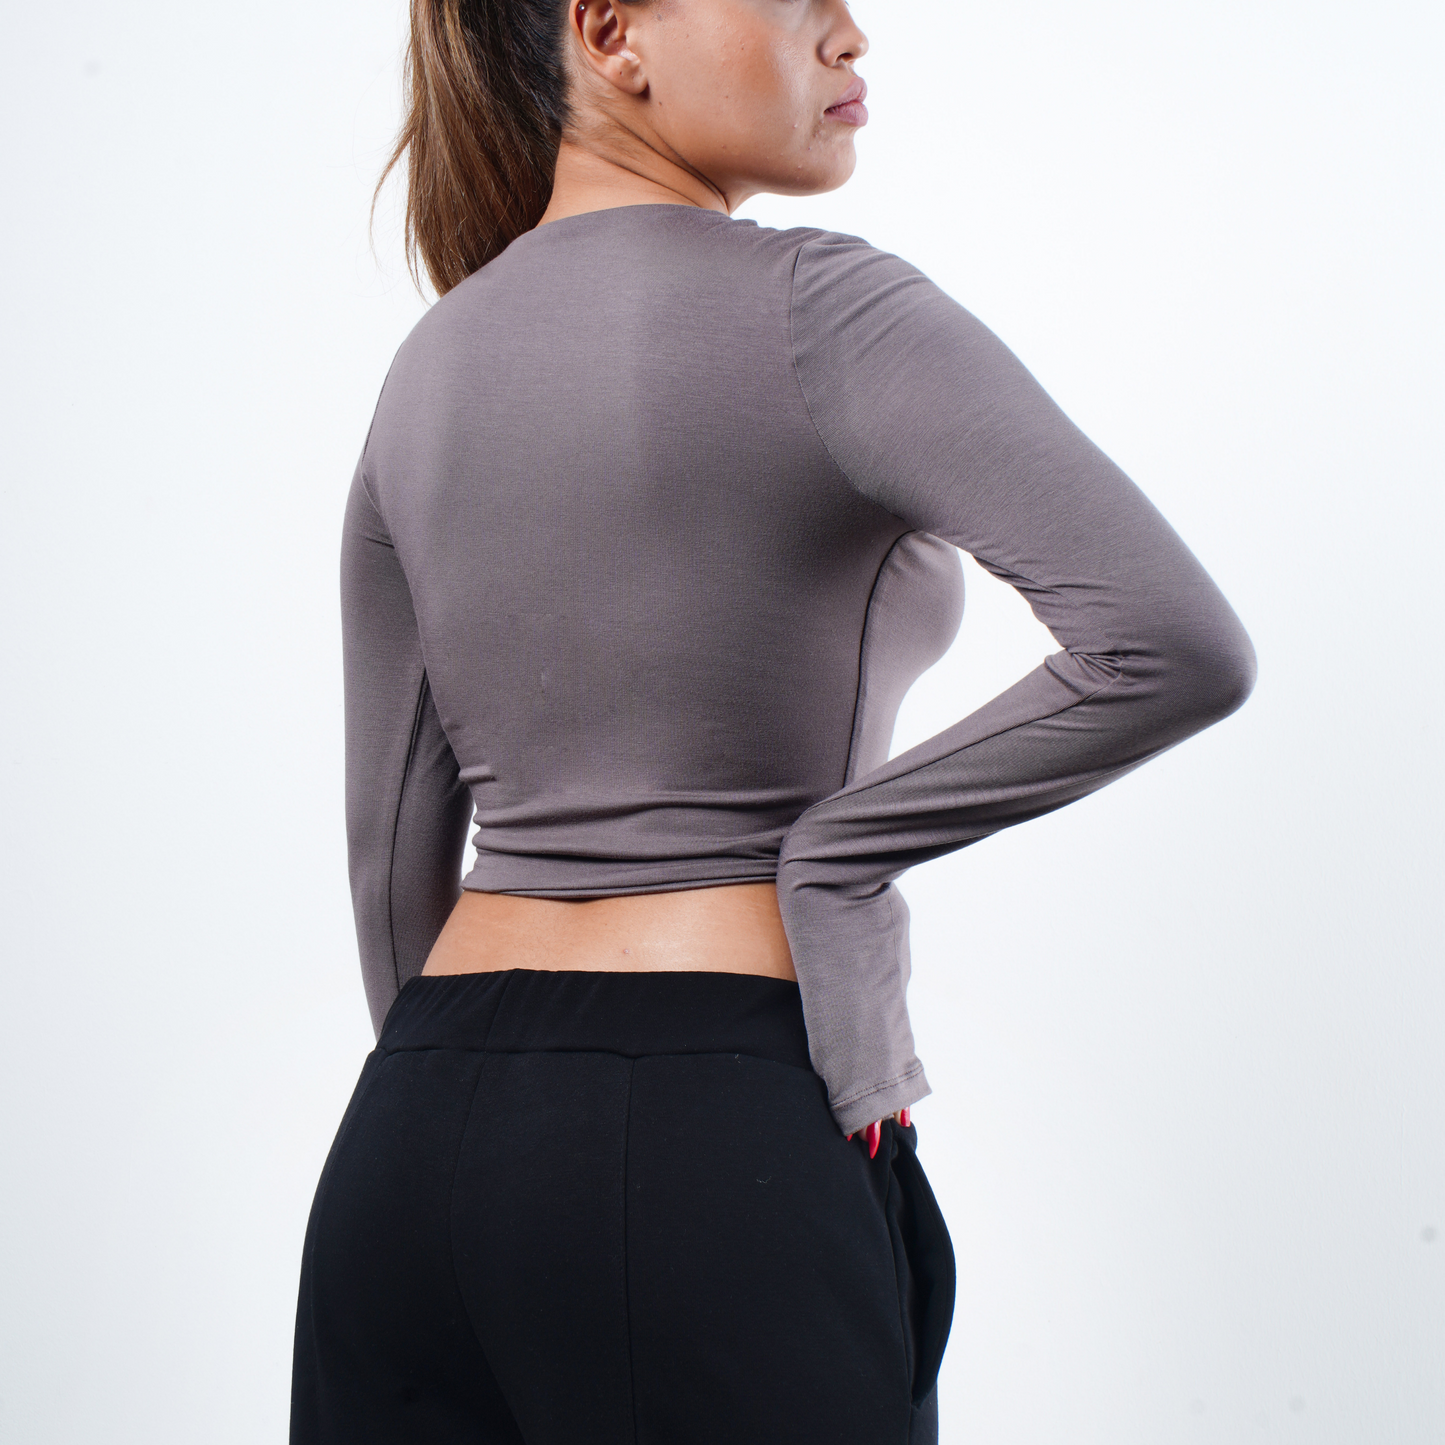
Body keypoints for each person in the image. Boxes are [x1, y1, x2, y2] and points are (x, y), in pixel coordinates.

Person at [289, 0, 1257, 1441]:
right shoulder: (828, 310)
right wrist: (836, 856)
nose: (851, 34)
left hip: (411, 1142)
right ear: (611, 32)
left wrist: (475, 1119)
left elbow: (388, 854)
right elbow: (1172, 644)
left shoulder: (431, 362)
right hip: (707, 1134)